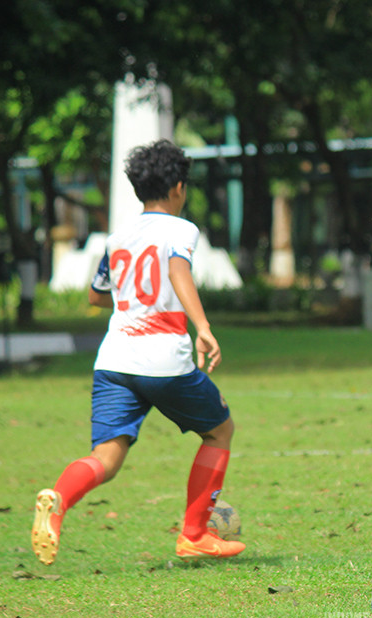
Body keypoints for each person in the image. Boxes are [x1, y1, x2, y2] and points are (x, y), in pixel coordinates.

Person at [31, 139, 245, 565]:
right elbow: (176, 268)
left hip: (113, 361)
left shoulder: (118, 238)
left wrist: (134, 301)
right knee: (220, 431)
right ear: (179, 187)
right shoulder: (181, 230)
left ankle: (59, 499)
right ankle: (194, 535)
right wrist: (201, 326)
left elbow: (96, 296)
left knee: (106, 458)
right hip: (163, 360)